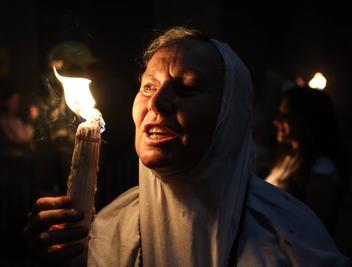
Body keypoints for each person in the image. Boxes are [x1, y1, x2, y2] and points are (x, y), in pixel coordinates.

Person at [24, 27, 350, 266]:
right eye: (148, 86)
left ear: (230, 116)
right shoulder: (110, 231)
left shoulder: (289, 239)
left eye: (188, 89)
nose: (158, 102)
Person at [265, 85, 344, 236]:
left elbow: (315, 231)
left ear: (306, 119)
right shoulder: (288, 158)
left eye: (285, 114)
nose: (276, 120)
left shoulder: (321, 169)